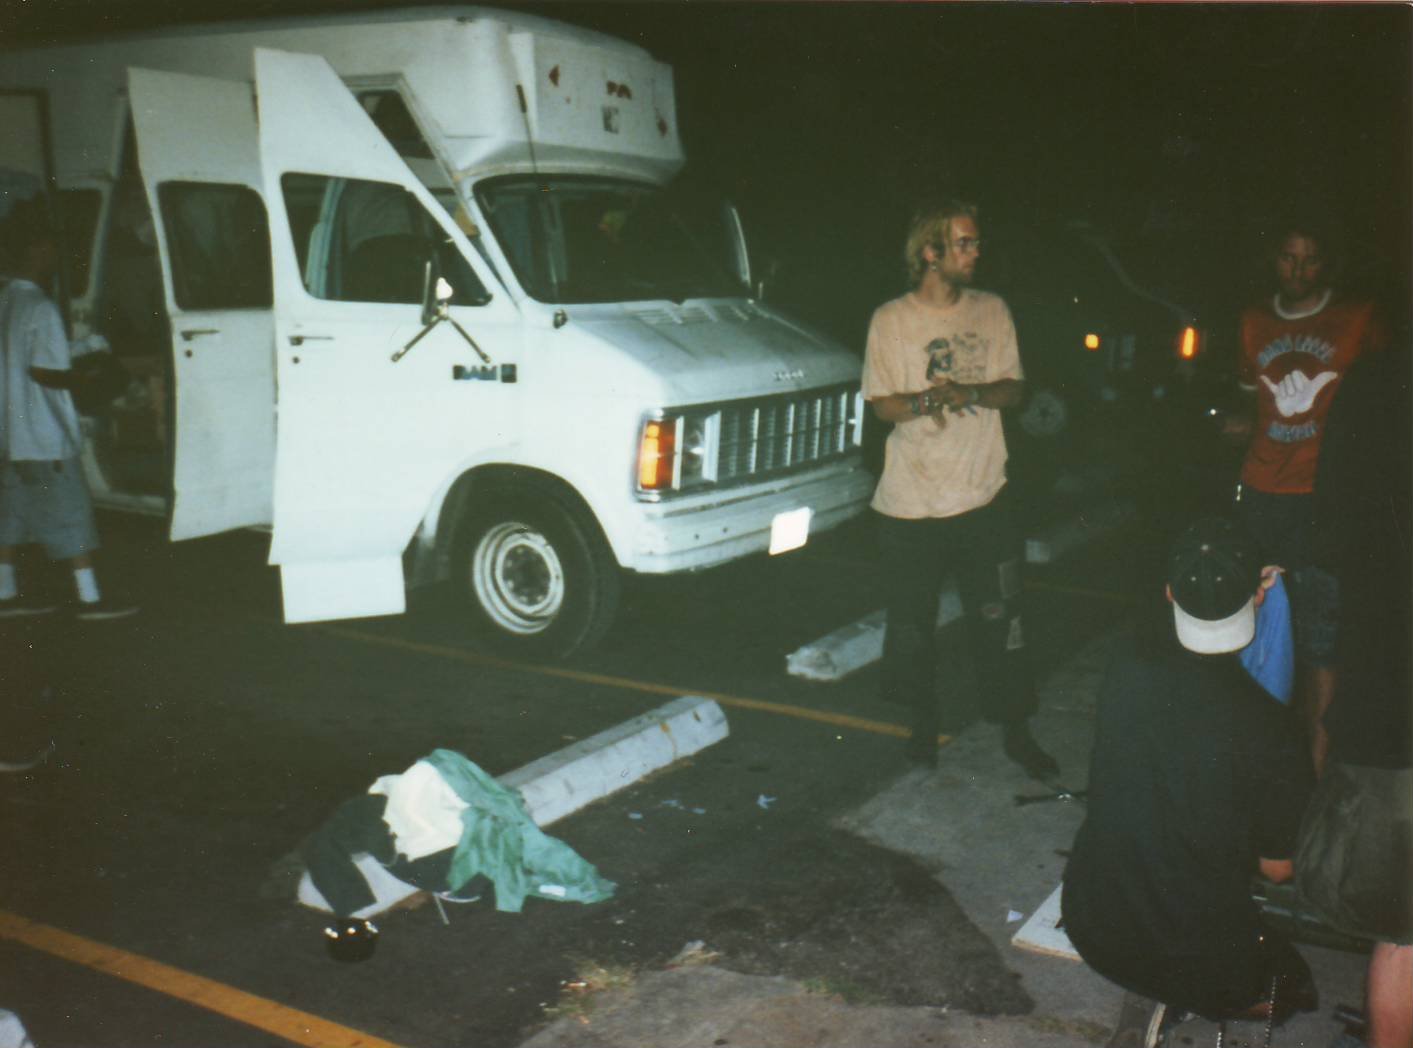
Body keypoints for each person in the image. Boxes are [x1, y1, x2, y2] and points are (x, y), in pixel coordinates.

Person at [1062, 517, 1316, 1043]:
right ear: (1258, 595)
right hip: (1196, 957)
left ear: (1170, 593)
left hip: (1093, 925)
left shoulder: (1125, 665)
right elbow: (1279, 869)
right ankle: (1186, 989)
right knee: (1294, 989)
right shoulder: (1273, 727)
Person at [862, 198, 1056, 779]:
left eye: (975, 242)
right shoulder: (891, 320)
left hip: (983, 499)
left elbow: (1014, 390)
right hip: (910, 505)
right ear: (931, 252)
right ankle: (924, 726)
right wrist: (929, 401)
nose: (975, 252)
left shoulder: (992, 311)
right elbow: (882, 405)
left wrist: (968, 393)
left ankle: (1016, 730)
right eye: (964, 243)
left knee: (1003, 623)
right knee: (912, 628)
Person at [1222, 217, 1387, 775]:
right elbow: (1249, 403)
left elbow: (1383, 398)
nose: (1298, 270)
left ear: (1326, 264)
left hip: (1322, 500)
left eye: (1310, 259)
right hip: (1262, 495)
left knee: (1321, 643)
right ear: (1274, 259)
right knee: (1252, 628)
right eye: (1288, 257)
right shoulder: (1253, 322)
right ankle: (1249, 763)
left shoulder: (1357, 319)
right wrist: (1236, 425)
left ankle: (1316, 777)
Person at [1297, 346, 1412, 1048]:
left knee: (1400, 936)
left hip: (1380, 724)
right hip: (1386, 730)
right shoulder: (1378, 378)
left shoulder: (1374, 377)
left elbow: (1333, 518)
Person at [0, 199, 136, 620]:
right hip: (44, 437)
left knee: (11, 516)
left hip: (12, 435)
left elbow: (24, 358)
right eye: (53, 250)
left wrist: (83, 346)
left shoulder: (7, 301)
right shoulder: (41, 307)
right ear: (39, 251)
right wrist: (87, 380)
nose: (57, 259)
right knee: (72, 515)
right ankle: (89, 599)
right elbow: (43, 371)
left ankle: (6, 595)